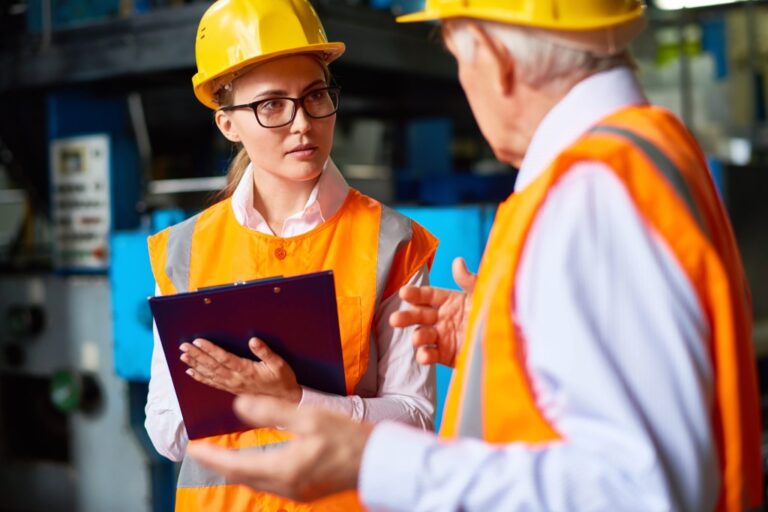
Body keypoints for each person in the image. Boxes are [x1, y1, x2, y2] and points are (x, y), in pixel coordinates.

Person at [185, 0, 766, 511]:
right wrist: (506, 341)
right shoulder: (647, 155)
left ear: (492, 54)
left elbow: (640, 491)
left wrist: (377, 461)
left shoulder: (592, 192)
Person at [144, 0, 439, 510]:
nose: (302, 123)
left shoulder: (392, 240)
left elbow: (415, 417)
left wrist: (293, 401)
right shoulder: (185, 250)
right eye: (272, 105)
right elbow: (166, 430)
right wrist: (251, 393)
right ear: (228, 125)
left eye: (315, 95)